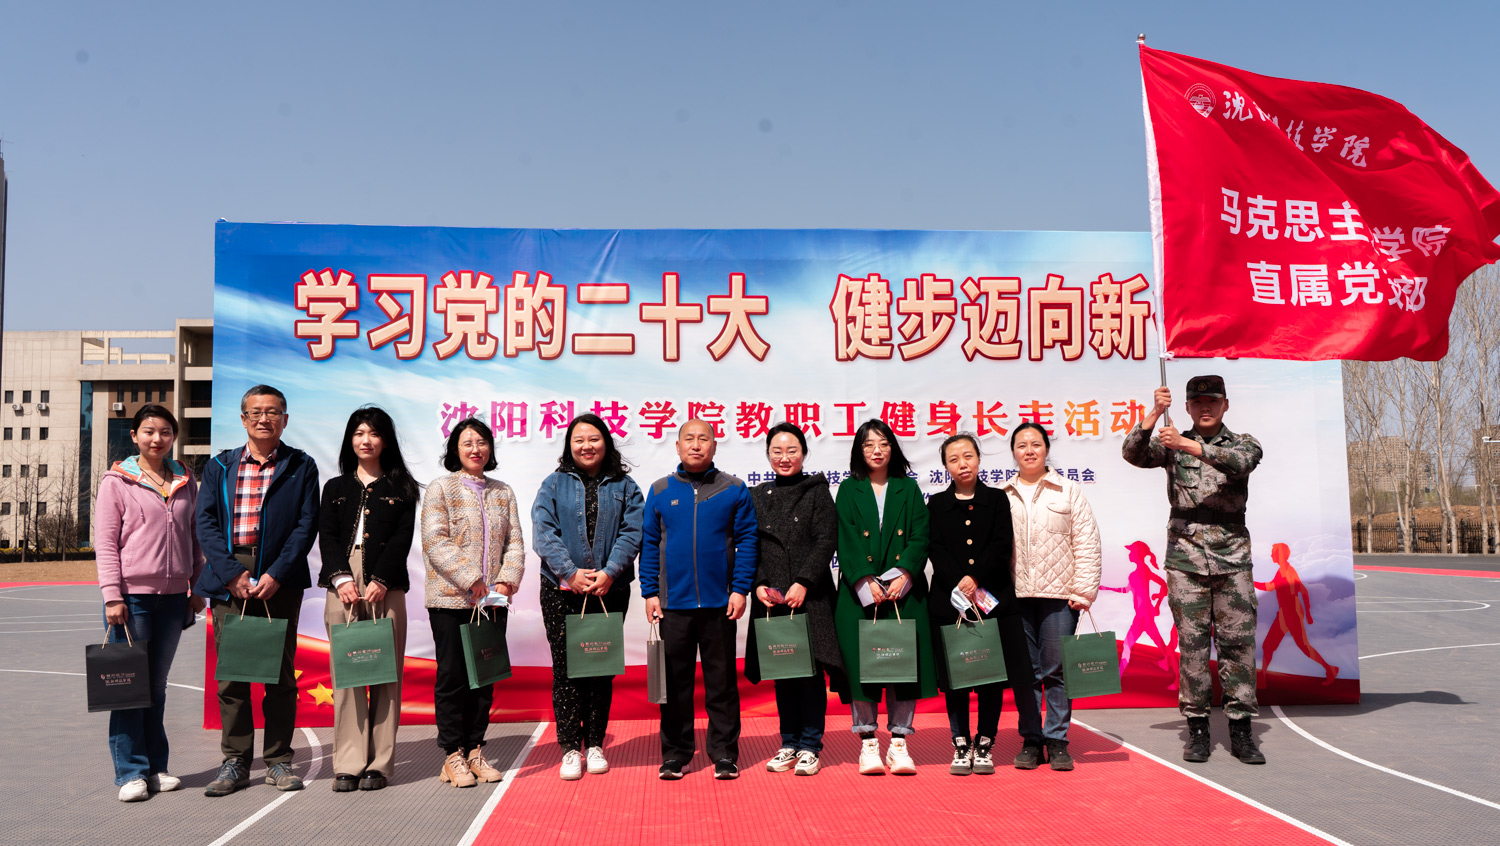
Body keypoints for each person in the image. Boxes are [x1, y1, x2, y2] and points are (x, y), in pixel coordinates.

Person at [1122, 375, 1266, 765]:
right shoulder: (1171, 443)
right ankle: (1198, 729)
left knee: (1238, 645)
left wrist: (1188, 445)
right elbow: (1133, 453)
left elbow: (1241, 464)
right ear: (1186, 407)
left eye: (1212, 401)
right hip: (1185, 560)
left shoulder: (1242, 443)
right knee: (1193, 647)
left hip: (1232, 560)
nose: (1205, 408)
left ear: (1225, 405)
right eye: (1197, 402)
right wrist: (1154, 414)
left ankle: (1241, 730)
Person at [196, 385, 320, 797]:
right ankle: (235, 760)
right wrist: (231, 574)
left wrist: (277, 574)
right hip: (230, 579)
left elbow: (306, 525)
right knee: (232, 677)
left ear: (285, 419)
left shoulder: (301, 466)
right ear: (243, 418)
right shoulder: (219, 466)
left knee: (279, 675)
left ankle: (279, 760)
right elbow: (205, 523)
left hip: (277, 582)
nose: (264, 418)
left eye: (272, 412)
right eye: (256, 412)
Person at [95, 405, 206, 802]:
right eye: (148, 431)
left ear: (173, 436)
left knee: (156, 687)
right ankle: (130, 773)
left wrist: (198, 588)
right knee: (130, 687)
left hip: (174, 600)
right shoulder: (117, 481)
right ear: (134, 436)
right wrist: (112, 596)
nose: (157, 439)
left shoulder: (185, 480)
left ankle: (157, 767)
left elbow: (195, 538)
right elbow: (106, 542)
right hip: (131, 599)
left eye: (165, 432)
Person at [640, 418, 758, 781]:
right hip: (672, 605)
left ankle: (724, 754)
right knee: (674, 685)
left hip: (720, 604)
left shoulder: (733, 489)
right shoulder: (660, 490)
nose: (696, 445)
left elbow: (748, 540)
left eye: (703, 438)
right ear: (677, 447)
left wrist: (740, 588)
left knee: (722, 684)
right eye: (688, 439)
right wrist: (650, 592)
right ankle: (676, 754)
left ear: (714, 445)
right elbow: (649, 544)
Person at [531, 414, 644, 781]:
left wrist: (610, 572)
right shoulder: (553, 484)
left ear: (606, 443)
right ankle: (569, 748)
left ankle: (594, 743)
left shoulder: (626, 486)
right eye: (578, 440)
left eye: (594, 438)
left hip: (609, 589)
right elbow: (543, 531)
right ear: (569, 445)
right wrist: (569, 572)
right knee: (566, 669)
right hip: (561, 589)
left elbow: (633, 531)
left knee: (600, 667)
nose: (586, 446)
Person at [926, 433, 1043, 776]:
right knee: (957, 677)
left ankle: (985, 742)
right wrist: (959, 580)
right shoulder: (936, 503)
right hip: (950, 603)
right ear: (945, 466)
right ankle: (961, 742)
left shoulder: (996, 499)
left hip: (993, 601)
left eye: (968, 456)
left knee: (991, 676)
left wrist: (975, 576)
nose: (962, 464)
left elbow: (1001, 544)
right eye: (953, 459)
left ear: (979, 459)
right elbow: (935, 548)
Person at [317, 407, 419, 792]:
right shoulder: (335, 487)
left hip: (386, 586)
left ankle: (379, 763)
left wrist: (381, 579)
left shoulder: (402, 487)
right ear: (350, 440)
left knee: (385, 674)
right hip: (342, 584)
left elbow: (402, 538)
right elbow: (327, 536)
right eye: (359, 433)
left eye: (374, 433)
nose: (366, 440)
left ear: (385, 441)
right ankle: (348, 762)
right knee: (348, 675)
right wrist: (341, 577)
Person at [422, 417, 525, 787]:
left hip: (492, 602)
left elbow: (514, 541)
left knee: (484, 677)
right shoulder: (440, 488)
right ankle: (452, 755)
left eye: (481, 442)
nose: (475, 449)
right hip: (450, 600)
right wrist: (472, 579)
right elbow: (435, 540)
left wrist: (506, 580)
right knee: (452, 677)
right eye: (467, 443)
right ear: (455, 449)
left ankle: (475, 750)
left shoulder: (503, 492)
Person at [833, 418, 936, 776]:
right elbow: (845, 538)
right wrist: (866, 579)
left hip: (902, 593)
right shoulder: (849, 489)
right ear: (859, 451)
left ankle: (899, 743)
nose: (877, 450)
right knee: (862, 668)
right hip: (860, 594)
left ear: (893, 448)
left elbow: (921, 535)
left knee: (902, 666)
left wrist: (903, 574)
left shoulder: (908, 488)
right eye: (869, 444)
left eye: (883, 443)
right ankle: (867, 743)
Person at [1002, 421, 1101, 771]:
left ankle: (1057, 740)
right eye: (1021, 445)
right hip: (1017, 596)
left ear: (1046, 448)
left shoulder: (1068, 490)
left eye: (1035, 444)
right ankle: (1032, 739)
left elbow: (1087, 541)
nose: (1029, 450)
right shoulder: (1003, 494)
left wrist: (1083, 590)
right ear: (1013, 452)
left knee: (1057, 671)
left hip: (1059, 596)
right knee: (1025, 673)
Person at [746, 422, 843, 777]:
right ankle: (788, 742)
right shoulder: (757, 496)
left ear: (803, 453)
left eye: (792, 451)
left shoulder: (817, 491)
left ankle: (810, 746)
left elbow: (826, 540)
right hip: (772, 599)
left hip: (810, 598)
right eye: (777, 451)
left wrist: (804, 581)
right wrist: (758, 584)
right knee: (783, 671)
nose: (784, 457)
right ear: (767, 455)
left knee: (810, 673)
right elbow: (750, 544)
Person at [1255, 542, 1339, 687]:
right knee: (1268, 645)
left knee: (1304, 647)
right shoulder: (1282, 571)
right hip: (1284, 613)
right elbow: (1300, 590)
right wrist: (1308, 613)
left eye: (1273, 552)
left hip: (1292, 613)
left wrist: (1308, 613)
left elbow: (1277, 587)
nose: (1271, 555)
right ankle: (1262, 677)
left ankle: (1330, 669)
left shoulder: (1288, 571)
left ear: (1280, 554)